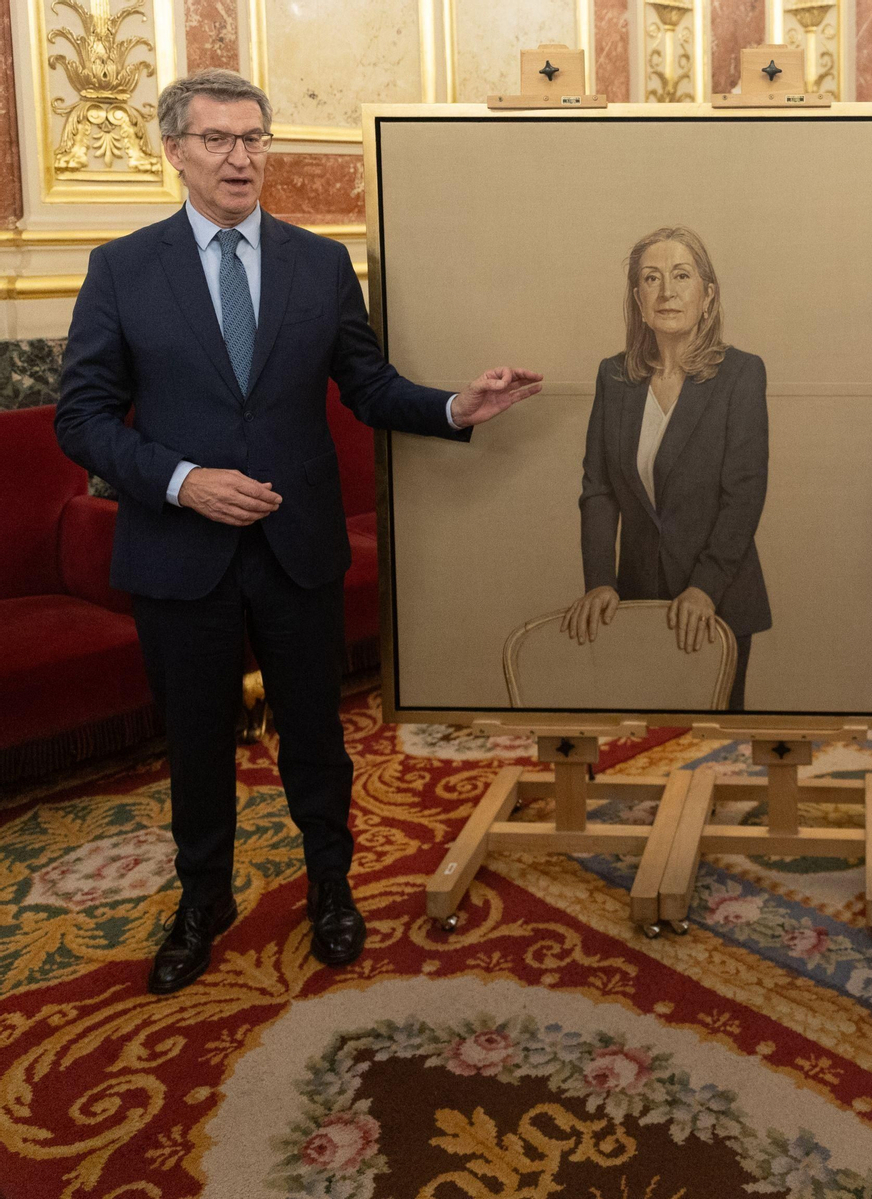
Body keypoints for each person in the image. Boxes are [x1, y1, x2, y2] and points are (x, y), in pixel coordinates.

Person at [53, 69, 543, 995]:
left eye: (254, 138)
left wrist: (455, 405)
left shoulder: (318, 264)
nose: (241, 158)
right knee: (196, 742)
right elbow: (80, 419)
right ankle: (203, 901)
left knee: (317, 736)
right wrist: (184, 481)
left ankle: (331, 886)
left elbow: (367, 385)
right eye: (217, 140)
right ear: (176, 152)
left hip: (296, 546)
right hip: (179, 554)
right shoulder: (122, 268)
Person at [563, 226, 769, 711]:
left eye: (681, 275)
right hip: (637, 599)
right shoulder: (614, 376)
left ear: (707, 295)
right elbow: (599, 489)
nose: (667, 292)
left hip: (717, 600)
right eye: (651, 278)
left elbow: (743, 494)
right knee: (644, 737)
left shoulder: (741, 374)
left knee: (714, 743)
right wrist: (600, 581)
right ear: (638, 298)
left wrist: (704, 588)